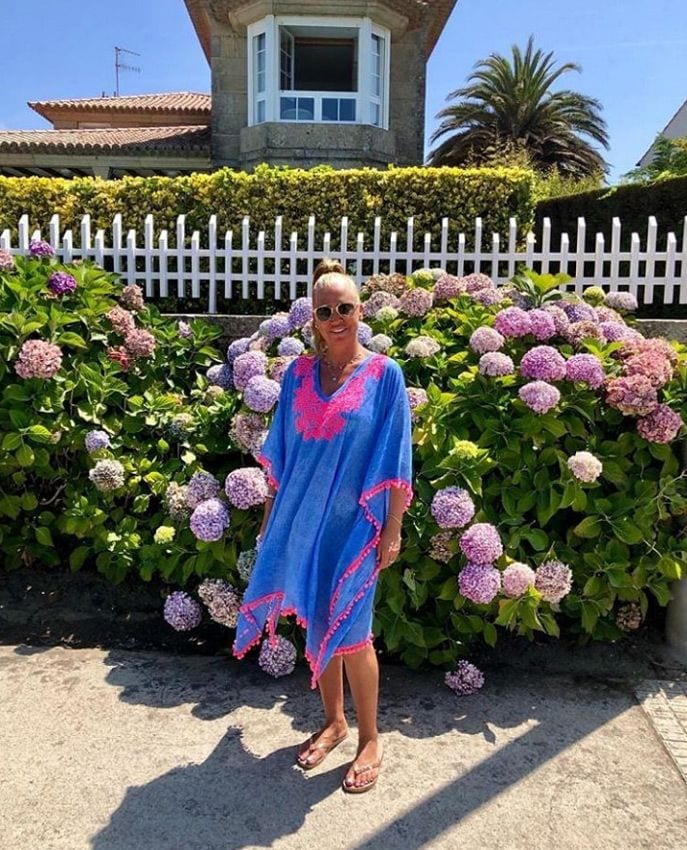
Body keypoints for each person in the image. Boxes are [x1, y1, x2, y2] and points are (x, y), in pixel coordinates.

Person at [232, 259, 413, 793]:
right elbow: (281, 459)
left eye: (346, 308)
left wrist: (393, 528)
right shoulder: (297, 376)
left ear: (361, 310)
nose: (337, 318)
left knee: (353, 633)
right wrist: (271, 526)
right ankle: (334, 721)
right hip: (302, 521)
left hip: (357, 527)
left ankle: (370, 737)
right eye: (325, 310)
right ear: (313, 319)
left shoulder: (385, 376)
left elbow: (396, 459)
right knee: (317, 619)